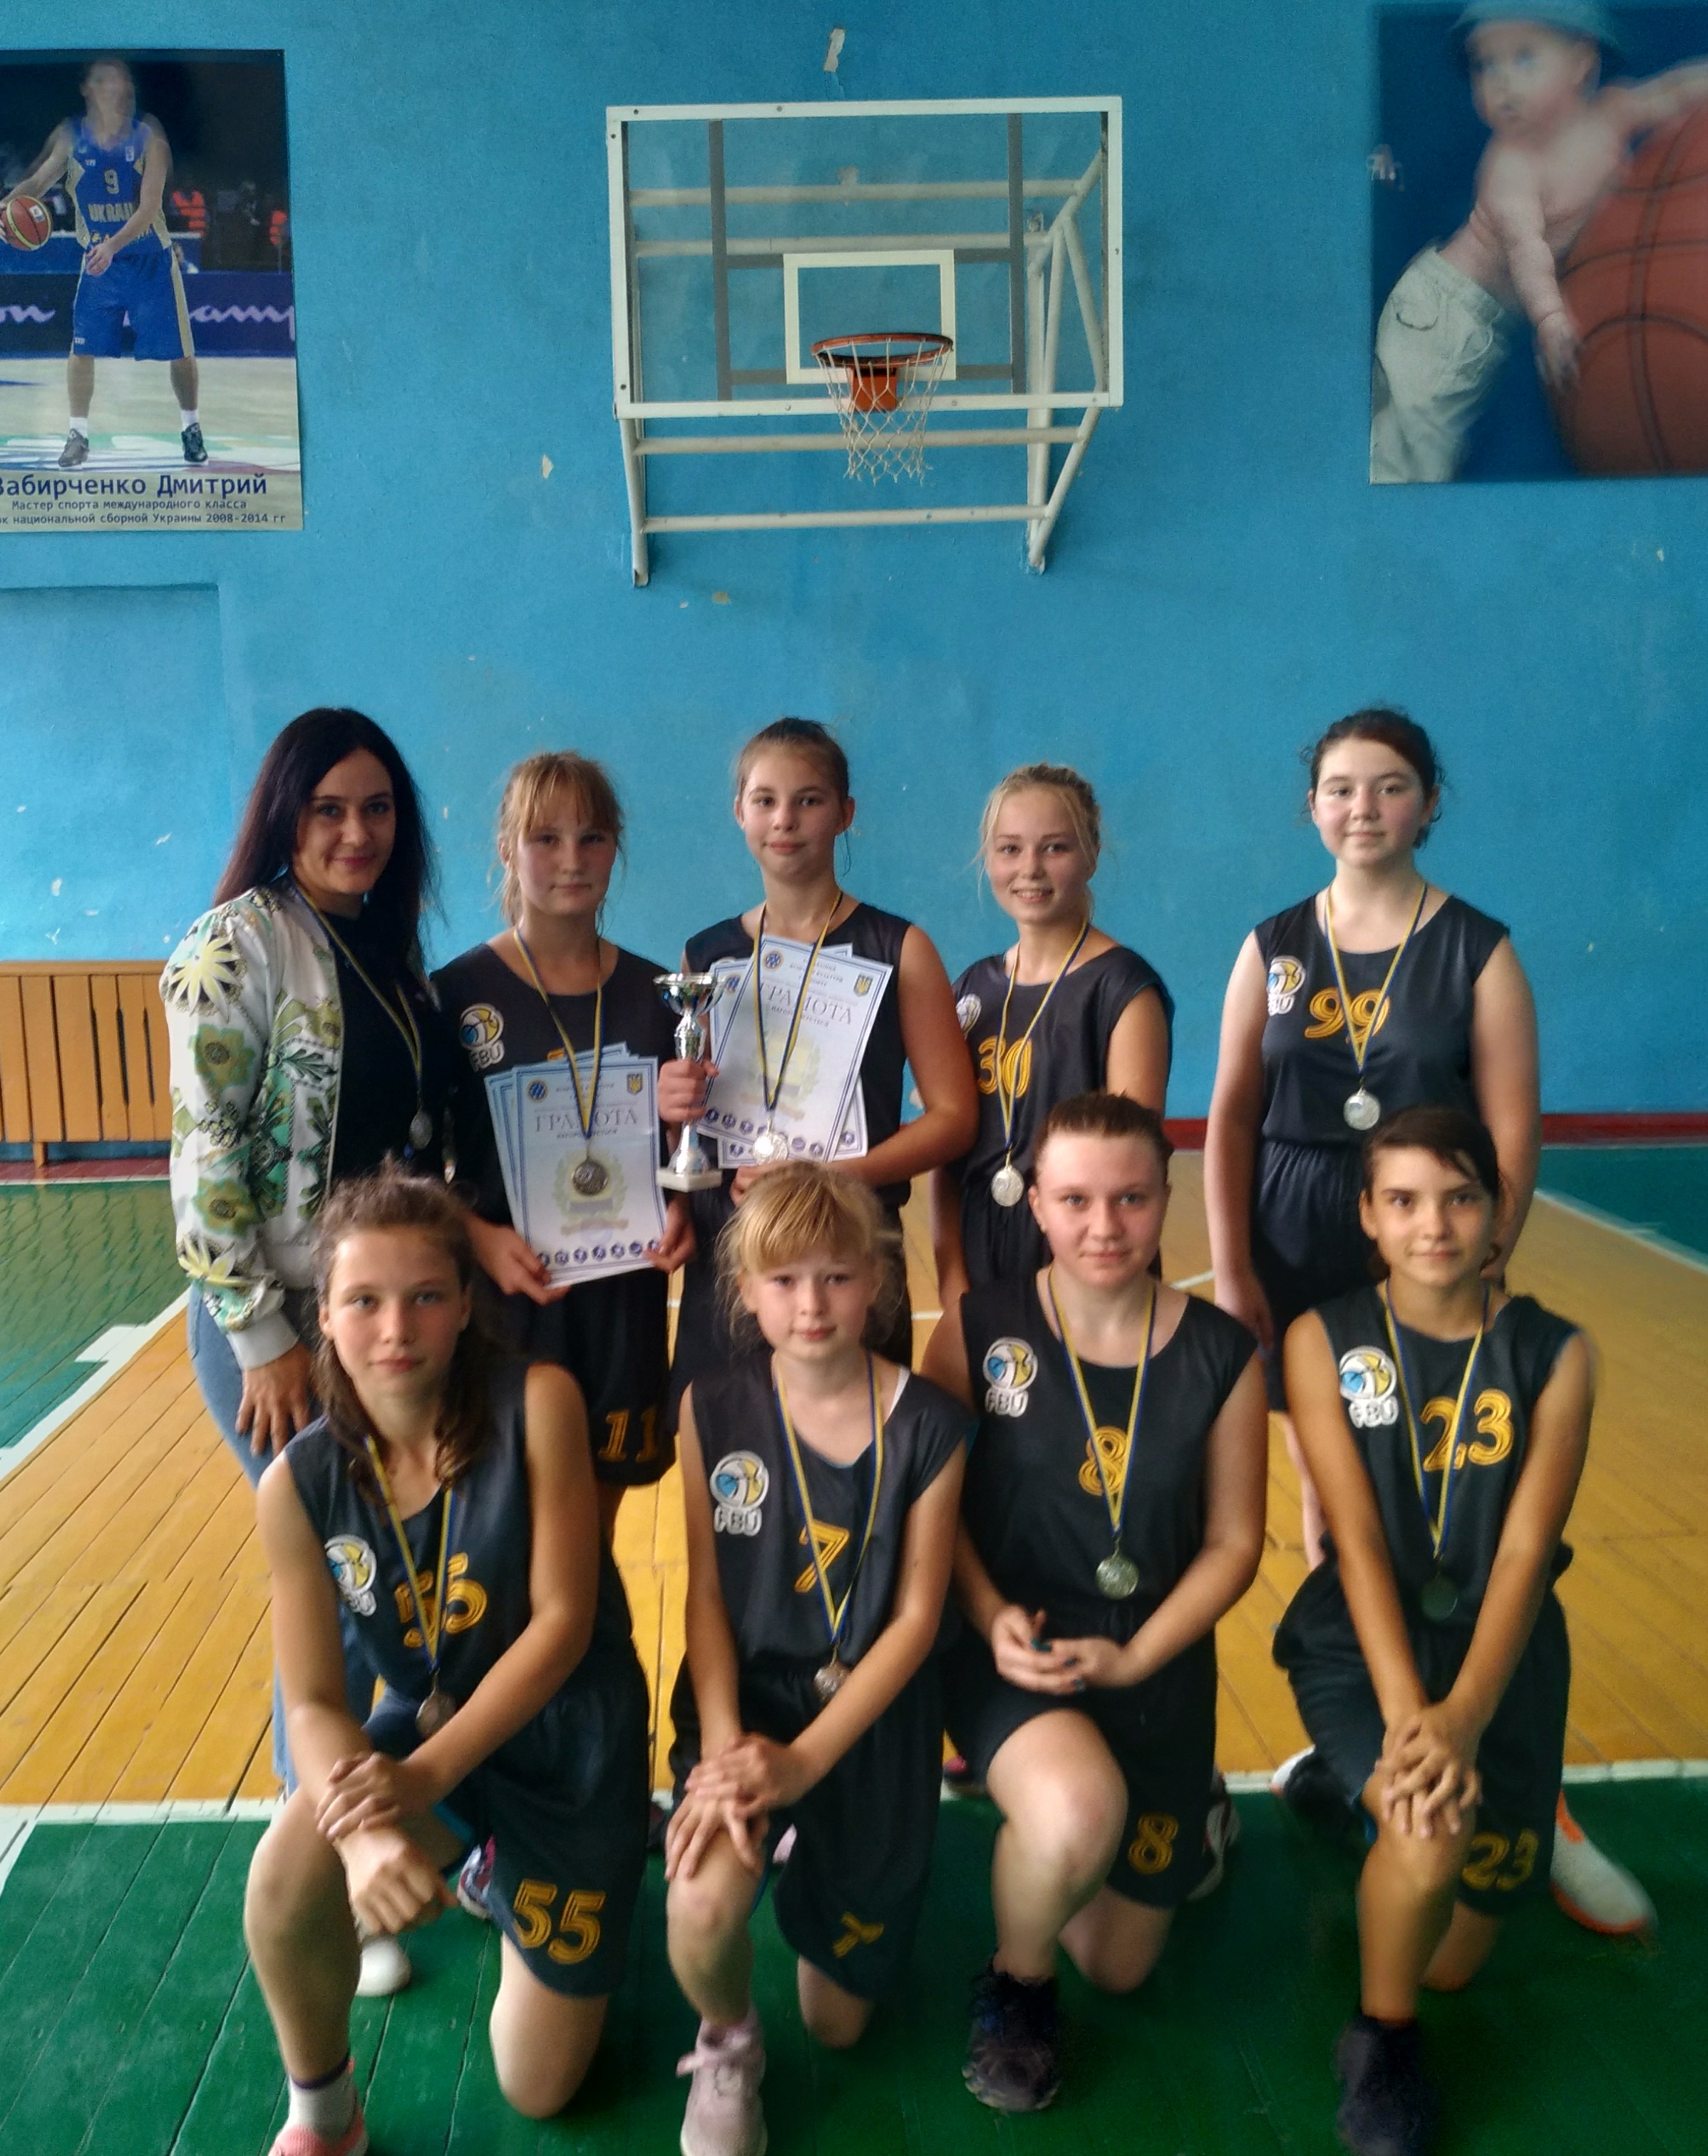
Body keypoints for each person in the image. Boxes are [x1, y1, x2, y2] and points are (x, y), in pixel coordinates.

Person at [1202, 704, 1648, 1933]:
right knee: (1335, 1509)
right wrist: (1233, 1268)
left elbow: (1511, 1127)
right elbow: (1230, 1110)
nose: (1364, 807)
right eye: (1342, 787)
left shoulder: (1478, 950)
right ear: (1312, 806)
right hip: (1297, 1237)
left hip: (1426, 1240)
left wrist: (1478, 1263)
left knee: (1456, 1501)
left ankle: (1522, 1782)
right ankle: (1376, 1747)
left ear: (1429, 801)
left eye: (1390, 785)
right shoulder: (1272, 944)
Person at [243, 1167, 649, 2155]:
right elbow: (314, 1699)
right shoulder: (298, 1483)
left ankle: (518, 1876)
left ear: (467, 1305)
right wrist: (358, 1836)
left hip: (570, 1743)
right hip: (433, 1727)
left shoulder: (538, 1402)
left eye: (425, 1296)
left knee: (539, 2089)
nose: (396, 1328)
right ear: (323, 1315)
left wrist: (419, 1782)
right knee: (286, 1877)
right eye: (364, 1301)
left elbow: (561, 1627)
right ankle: (325, 2117)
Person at [163, 705, 453, 1993]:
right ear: (284, 814)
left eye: (376, 808)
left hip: (384, 1319)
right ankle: (338, 1869)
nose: (354, 831)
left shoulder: (386, 951)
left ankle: (402, 1818)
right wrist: (263, 1336)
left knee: (398, 1586)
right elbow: (207, 1154)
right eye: (328, 808)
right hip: (283, 1328)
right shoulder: (232, 946)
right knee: (338, 1599)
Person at [922, 1092, 1267, 2113]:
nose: (1103, 1226)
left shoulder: (1222, 1353)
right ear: (1034, 1201)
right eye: (1074, 1199)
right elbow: (933, 1515)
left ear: (1165, 1198)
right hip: (1015, 1651)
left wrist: (1140, 1656)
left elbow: (1234, 1544)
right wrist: (986, 1613)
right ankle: (1017, 1990)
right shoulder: (979, 1329)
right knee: (1076, 1816)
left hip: (1152, 1659)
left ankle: (1190, 1809)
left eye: (1130, 1199)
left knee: (1118, 1964)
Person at [1272, 1107, 1593, 2156]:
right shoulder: (1321, 1340)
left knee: (1453, 1957)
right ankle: (1382, 2042)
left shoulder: (1557, 1355)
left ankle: (1345, 1793)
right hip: (1366, 1645)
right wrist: (1416, 1716)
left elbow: (1524, 1554)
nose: (1434, 1226)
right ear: (1368, 1214)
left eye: (1460, 1198)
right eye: (1404, 1200)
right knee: (1423, 1840)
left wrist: (1464, 1717)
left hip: (1501, 1654)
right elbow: (1357, 1540)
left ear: (1500, 1209)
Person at [664, 1164, 967, 2156]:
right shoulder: (709, 1405)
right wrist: (724, 1749)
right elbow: (707, 1595)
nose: (811, 1305)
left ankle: (815, 1846)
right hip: (745, 1704)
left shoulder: (931, 1423)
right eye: (785, 1280)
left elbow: (915, 1620)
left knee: (838, 2025)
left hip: (870, 1719)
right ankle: (728, 2041)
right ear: (744, 1291)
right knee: (698, 1907)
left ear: (876, 1283)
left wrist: (801, 1764)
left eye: (836, 1277)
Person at [658, 717, 977, 1416]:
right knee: (728, 1454)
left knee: (859, 1452)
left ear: (844, 813)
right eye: (765, 800)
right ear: (739, 811)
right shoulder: (705, 957)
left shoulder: (899, 948)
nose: (785, 820)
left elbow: (954, 1118)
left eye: (808, 800)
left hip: (849, 1250)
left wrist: (833, 1176)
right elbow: (693, 1125)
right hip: (735, 1254)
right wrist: (672, 1104)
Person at [434, 751, 693, 1541]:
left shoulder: (660, 998)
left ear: (615, 849)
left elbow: (682, 1153)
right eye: (545, 839)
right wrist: (476, 1236)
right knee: (501, 1530)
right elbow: (410, 1164)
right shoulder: (454, 996)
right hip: (506, 1295)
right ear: (507, 850)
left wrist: (682, 1203)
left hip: (622, 1300)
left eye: (592, 837)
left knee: (593, 1537)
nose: (572, 860)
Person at [1370, 5, 1708, 483]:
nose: (1502, 83)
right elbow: (1526, 249)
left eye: (1524, 58)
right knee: (1404, 461)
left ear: (1581, 63)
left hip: (1478, 324)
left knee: (1416, 446)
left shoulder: (1612, 113)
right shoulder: (1512, 164)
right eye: (1485, 65)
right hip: (1444, 316)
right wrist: (1550, 318)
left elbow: (1670, 92)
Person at [930, 762, 1173, 1302]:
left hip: (1087, 1249)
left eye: (1055, 848)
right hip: (980, 1246)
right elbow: (949, 1155)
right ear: (988, 858)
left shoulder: (1123, 989)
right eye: (1010, 849)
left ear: (1092, 854)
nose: (1031, 869)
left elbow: (1128, 1164)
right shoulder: (973, 988)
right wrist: (951, 1275)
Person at [0, 55, 206, 469]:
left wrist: (112, 245)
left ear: (128, 89)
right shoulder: (72, 140)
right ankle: (77, 435)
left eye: (120, 80)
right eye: (104, 79)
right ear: (87, 89)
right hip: (100, 263)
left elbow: (149, 208)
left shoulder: (149, 138)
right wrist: (6, 206)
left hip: (149, 259)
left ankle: (191, 427)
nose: (115, 86)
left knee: (181, 352)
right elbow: (37, 183)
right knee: (81, 350)